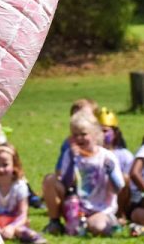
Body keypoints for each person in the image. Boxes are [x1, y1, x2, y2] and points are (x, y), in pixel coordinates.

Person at [41, 109, 125, 237]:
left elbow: (119, 187)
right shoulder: (70, 154)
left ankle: (109, 223)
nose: (79, 138)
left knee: (96, 226)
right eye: (75, 135)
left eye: (83, 134)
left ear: (95, 134)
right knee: (49, 180)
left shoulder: (106, 157)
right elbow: (66, 183)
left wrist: (111, 171)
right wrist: (72, 162)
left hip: (100, 207)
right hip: (76, 205)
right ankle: (55, 222)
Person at [40, 98, 98, 232]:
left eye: (85, 116)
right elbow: (60, 173)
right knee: (50, 180)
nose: (80, 121)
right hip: (73, 190)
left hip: (98, 193)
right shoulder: (69, 145)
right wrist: (73, 159)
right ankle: (54, 222)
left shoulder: (104, 141)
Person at [0, 143, 46, 243]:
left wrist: (11, 227)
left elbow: (23, 214)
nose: (0, 169)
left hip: (15, 223)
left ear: (14, 165)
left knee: (24, 232)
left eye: (5, 165)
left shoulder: (20, 186)